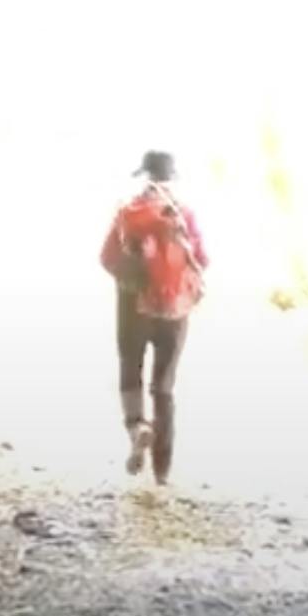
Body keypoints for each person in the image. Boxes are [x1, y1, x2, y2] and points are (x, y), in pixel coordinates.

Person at [98, 149, 209, 484]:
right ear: (172, 177)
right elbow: (203, 259)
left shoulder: (128, 211)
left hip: (133, 307)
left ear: (144, 176)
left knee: (130, 367)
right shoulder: (184, 213)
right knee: (163, 387)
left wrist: (133, 278)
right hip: (175, 310)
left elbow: (107, 257)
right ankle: (162, 472)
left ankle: (137, 427)